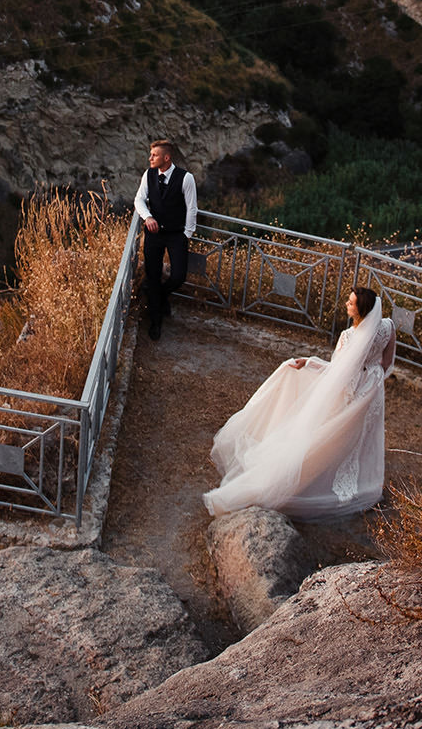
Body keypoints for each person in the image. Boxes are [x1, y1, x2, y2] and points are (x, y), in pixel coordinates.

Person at [203, 283, 397, 519]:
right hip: (373, 387)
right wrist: (374, 379)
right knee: (367, 432)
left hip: (354, 388)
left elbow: (337, 371)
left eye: (351, 302)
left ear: (361, 311)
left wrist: (311, 363)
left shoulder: (348, 337)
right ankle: (366, 478)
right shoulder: (388, 327)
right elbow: (387, 363)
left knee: (335, 431)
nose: (346, 304)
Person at [132, 139, 196, 340]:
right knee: (152, 276)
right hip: (154, 235)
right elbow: (139, 199)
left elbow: (192, 208)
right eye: (151, 155)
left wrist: (187, 234)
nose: (150, 158)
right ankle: (155, 322)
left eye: (154, 155)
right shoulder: (148, 174)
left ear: (166, 158)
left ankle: (161, 296)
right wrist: (147, 216)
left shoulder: (186, 178)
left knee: (178, 276)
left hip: (177, 234)